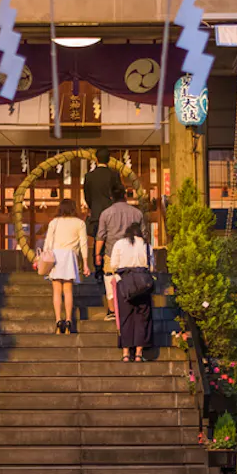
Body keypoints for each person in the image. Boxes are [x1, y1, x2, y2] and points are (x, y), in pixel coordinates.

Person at [96, 187, 145, 322]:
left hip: (111, 251)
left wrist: (97, 255)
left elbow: (101, 236)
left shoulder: (106, 213)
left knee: (110, 280)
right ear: (125, 196)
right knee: (130, 280)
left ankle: (112, 310)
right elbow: (144, 234)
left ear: (111, 198)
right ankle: (129, 306)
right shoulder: (137, 213)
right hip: (133, 252)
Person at [42, 199, 91, 335]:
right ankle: (69, 320)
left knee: (57, 290)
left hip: (56, 256)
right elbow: (83, 245)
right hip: (70, 257)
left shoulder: (54, 222)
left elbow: (48, 243)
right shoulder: (79, 223)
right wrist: (85, 264)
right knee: (68, 290)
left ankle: (58, 321)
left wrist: (44, 258)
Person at [109, 222, 153, 362]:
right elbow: (152, 267)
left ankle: (126, 353)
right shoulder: (147, 246)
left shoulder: (120, 244)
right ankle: (139, 353)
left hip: (125, 283)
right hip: (143, 284)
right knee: (142, 318)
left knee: (125, 318)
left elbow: (114, 265)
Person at [81, 147, 124, 245]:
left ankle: (97, 259)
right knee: (112, 245)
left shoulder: (89, 176)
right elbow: (119, 194)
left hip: (96, 215)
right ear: (109, 160)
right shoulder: (114, 175)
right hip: (112, 214)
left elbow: (87, 196)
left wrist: (93, 207)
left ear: (96, 159)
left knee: (98, 244)